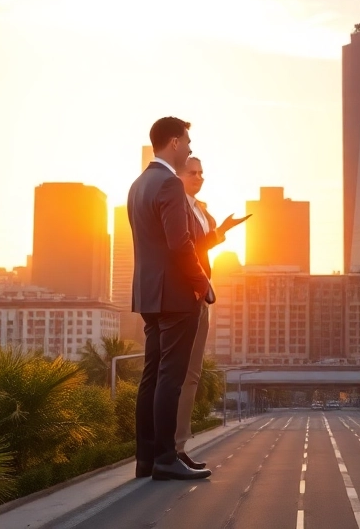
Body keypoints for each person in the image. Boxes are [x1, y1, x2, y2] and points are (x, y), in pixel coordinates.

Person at [127, 117, 212, 481]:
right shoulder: (169, 184)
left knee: (151, 375)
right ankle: (166, 457)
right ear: (174, 143)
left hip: (148, 294)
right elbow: (180, 244)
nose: (191, 148)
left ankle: (146, 458)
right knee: (170, 378)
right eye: (188, 141)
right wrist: (202, 282)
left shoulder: (137, 185)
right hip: (176, 295)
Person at [174, 156, 247, 468]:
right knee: (178, 375)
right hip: (185, 294)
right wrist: (220, 232)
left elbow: (201, 245)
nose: (199, 177)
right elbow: (187, 247)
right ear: (177, 174)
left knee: (192, 375)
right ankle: (172, 448)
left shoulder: (199, 208)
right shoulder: (176, 205)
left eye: (202, 172)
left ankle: (178, 445)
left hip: (201, 295)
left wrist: (220, 228)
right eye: (192, 172)